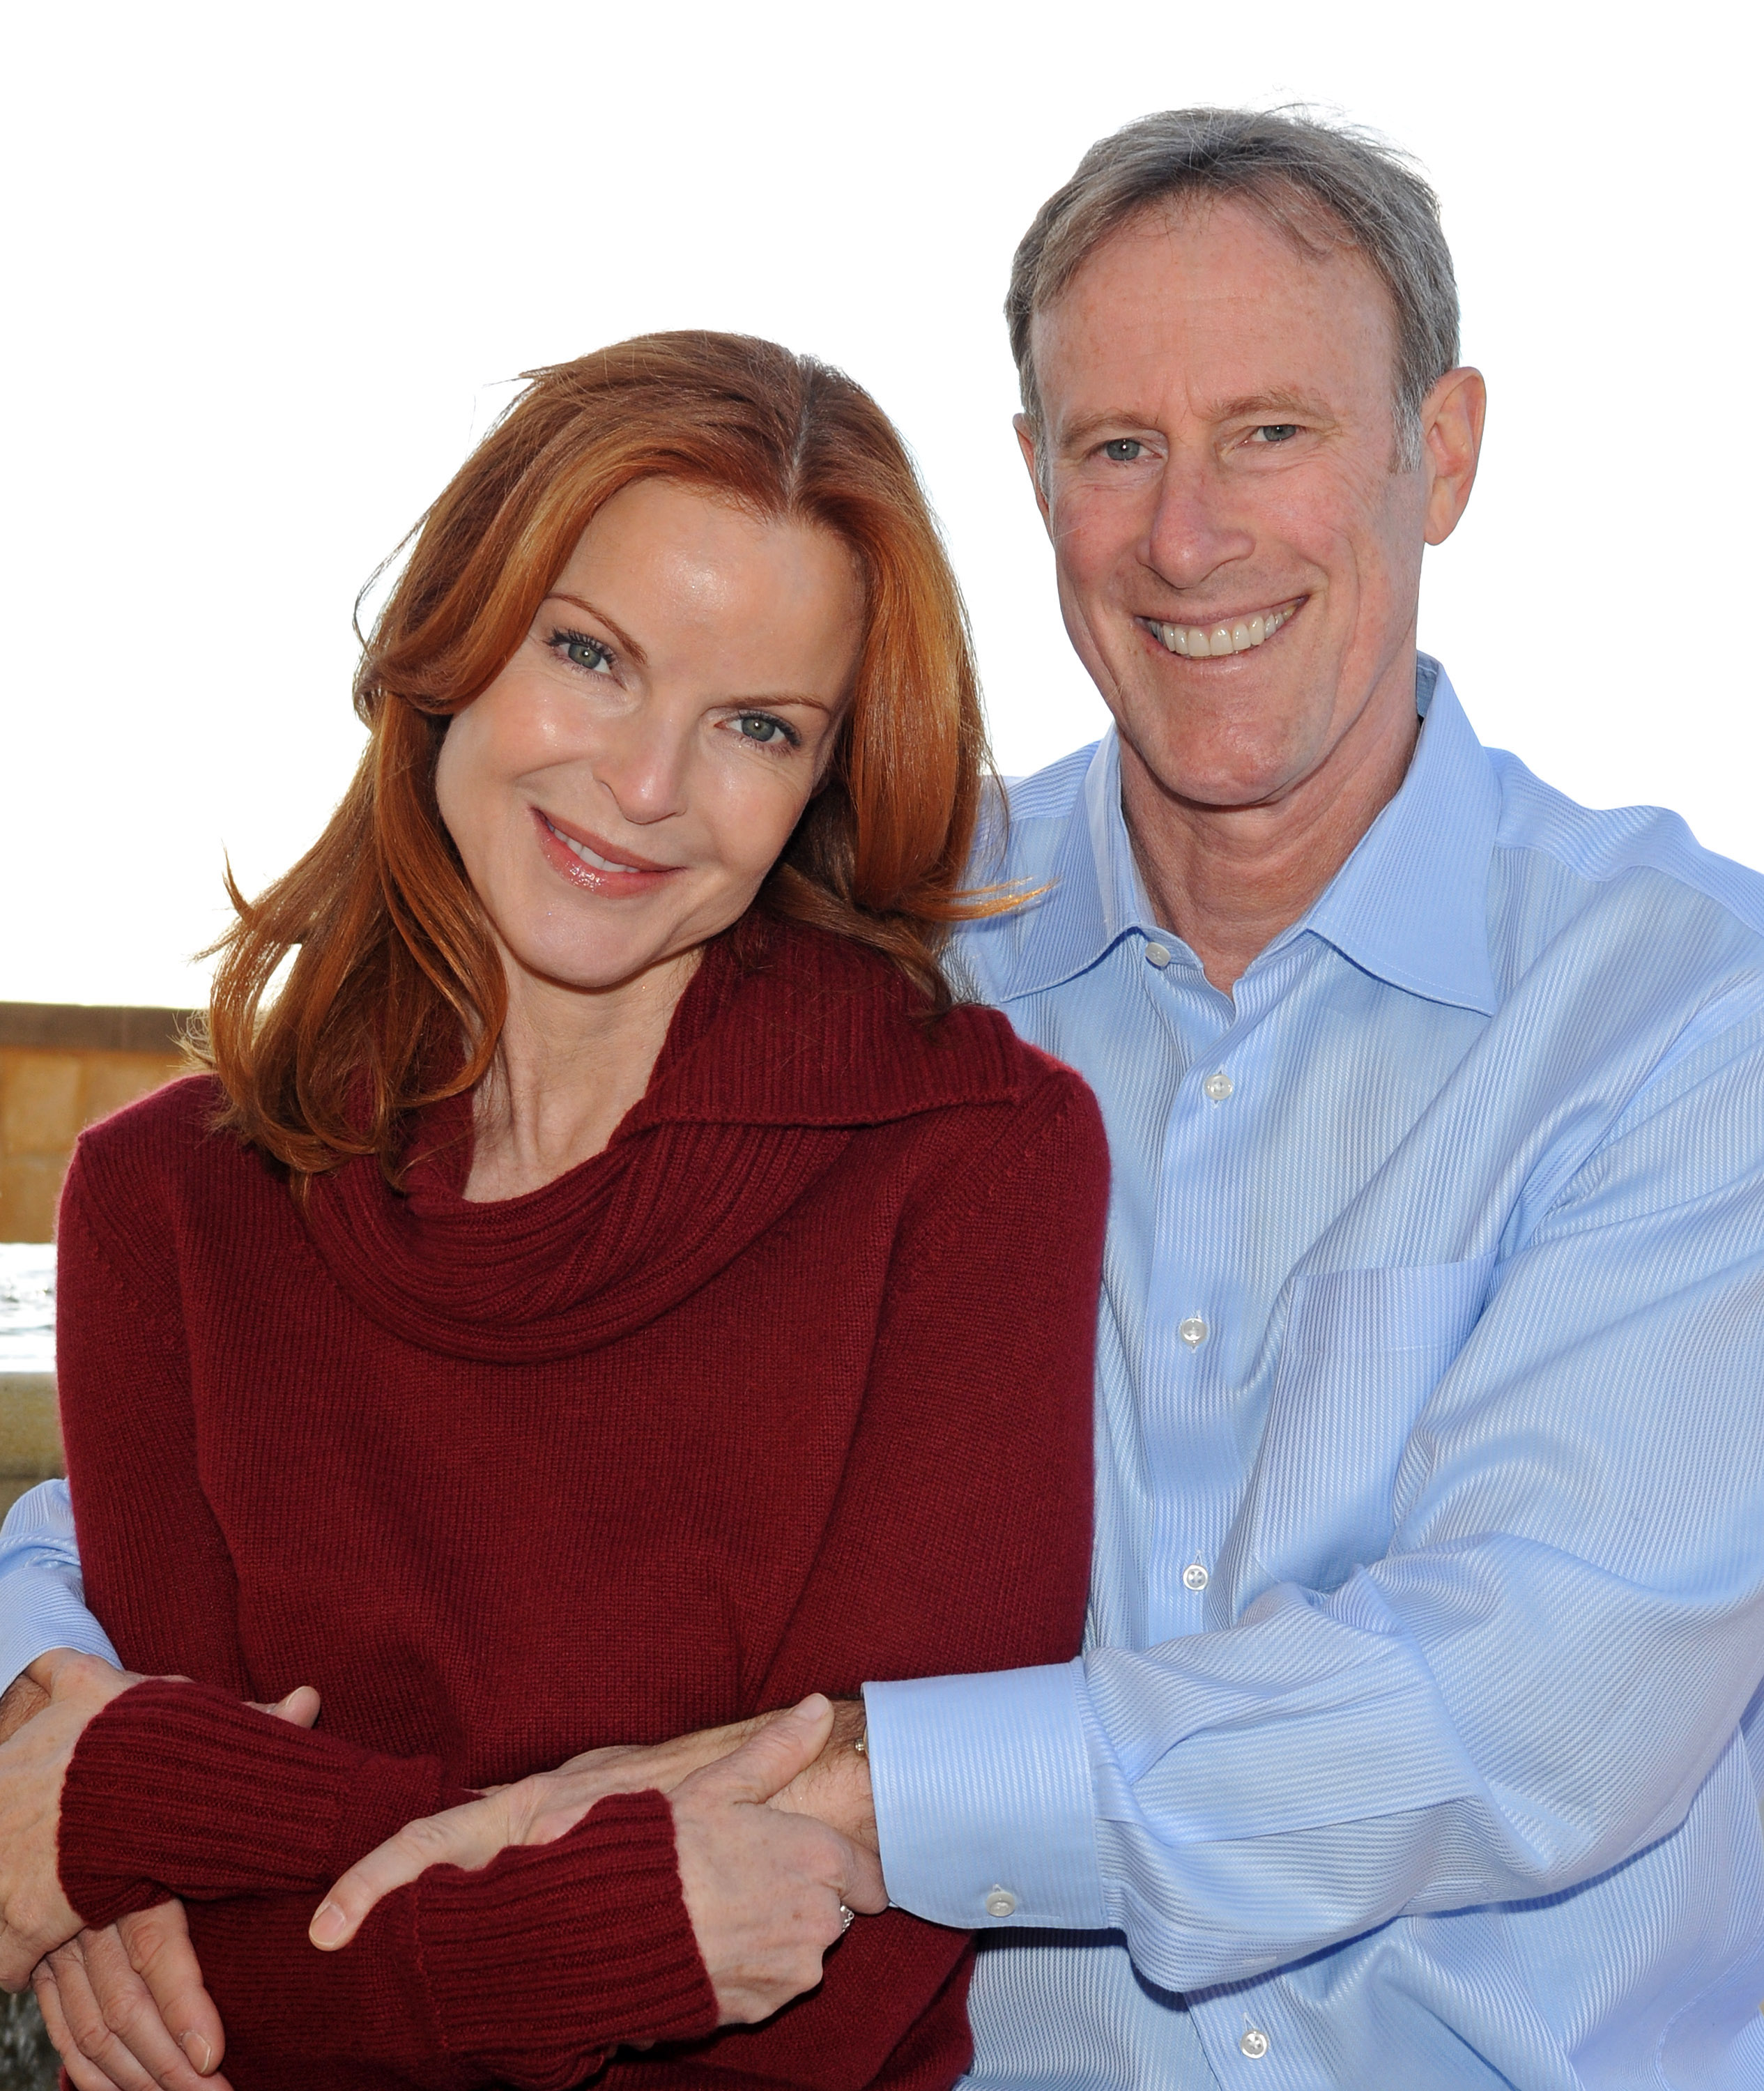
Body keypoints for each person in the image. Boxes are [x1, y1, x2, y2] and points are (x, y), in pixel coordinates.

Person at [6, 104, 1764, 2091]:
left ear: (1436, 454)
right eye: (1118, 448)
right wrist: (57, 1746)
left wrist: (854, 1791)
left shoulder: (1691, 1017)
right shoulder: (872, 981)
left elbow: (1524, 1704)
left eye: (1267, 432)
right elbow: (321, 1409)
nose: (1188, 535)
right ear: (1033, 482)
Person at [0, 330, 1109, 2089]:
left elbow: (839, 1985)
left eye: (755, 725)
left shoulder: (972, 1161)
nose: (647, 785)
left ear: (825, 779)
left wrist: (156, 1791)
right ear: (455, 642)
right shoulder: (167, 1204)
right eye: (591, 657)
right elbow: (183, 1993)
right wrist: (622, 1916)